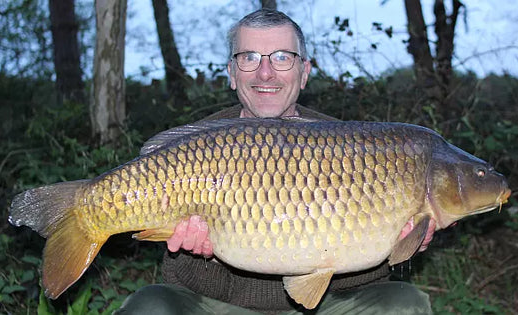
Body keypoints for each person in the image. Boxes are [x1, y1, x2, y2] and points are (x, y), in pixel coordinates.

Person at [116, 9, 434, 315]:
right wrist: (205, 257)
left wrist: (403, 245)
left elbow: (370, 282)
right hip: (222, 308)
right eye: (249, 57)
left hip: (326, 307)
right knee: (150, 306)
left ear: (304, 73)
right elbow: (179, 281)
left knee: (404, 303)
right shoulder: (198, 148)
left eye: (282, 57)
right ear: (232, 73)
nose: (265, 72)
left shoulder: (348, 145)